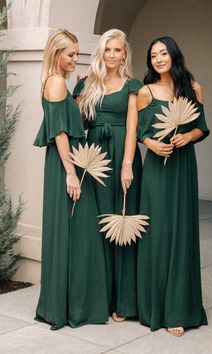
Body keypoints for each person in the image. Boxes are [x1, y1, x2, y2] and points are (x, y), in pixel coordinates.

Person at [33, 29, 109, 330]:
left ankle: (67, 304)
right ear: (56, 54)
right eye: (71, 55)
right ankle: (68, 307)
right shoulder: (53, 82)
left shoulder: (60, 83)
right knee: (73, 232)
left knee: (75, 232)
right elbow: (60, 133)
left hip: (70, 162)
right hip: (66, 164)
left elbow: (69, 119)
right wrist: (71, 174)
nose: (76, 59)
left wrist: (76, 92)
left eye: (77, 54)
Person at [137, 36, 209, 335]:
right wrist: (152, 143)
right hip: (156, 168)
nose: (158, 59)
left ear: (174, 55)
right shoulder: (145, 92)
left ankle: (179, 308)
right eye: (153, 55)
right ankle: (153, 306)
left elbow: (201, 127)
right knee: (157, 231)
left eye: (163, 53)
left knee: (181, 231)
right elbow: (140, 131)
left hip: (183, 166)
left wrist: (187, 137)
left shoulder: (193, 88)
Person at [73, 29, 142, 322]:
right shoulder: (86, 84)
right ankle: (97, 298)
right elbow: (77, 123)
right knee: (96, 224)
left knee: (123, 225)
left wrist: (127, 165)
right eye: (107, 49)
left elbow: (132, 128)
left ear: (124, 53)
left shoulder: (133, 86)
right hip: (94, 159)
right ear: (101, 52)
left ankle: (123, 302)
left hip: (121, 157)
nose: (112, 55)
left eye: (117, 50)